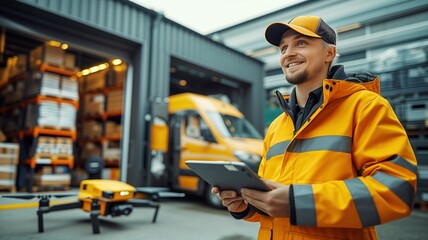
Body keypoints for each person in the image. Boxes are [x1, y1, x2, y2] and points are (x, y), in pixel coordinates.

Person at [213, 16, 417, 240]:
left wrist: (297, 202)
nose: (288, 53)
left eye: (301, 43)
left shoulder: (366, 107)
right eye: (283, 48)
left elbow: (396, 191)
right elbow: (272, 202)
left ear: (329, 54)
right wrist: (245, 205)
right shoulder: (276, 127)